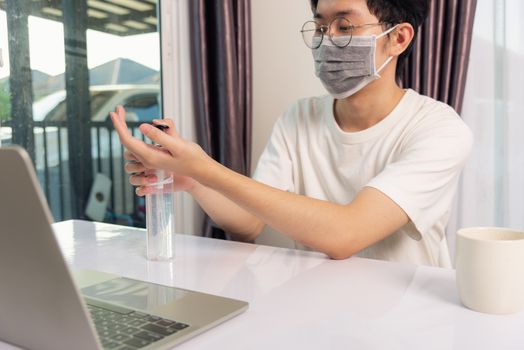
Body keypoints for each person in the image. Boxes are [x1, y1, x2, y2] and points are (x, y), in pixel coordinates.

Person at [110, 0, 473, 268]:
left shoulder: (439, 129)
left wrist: (205, 168)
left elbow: (346, 234)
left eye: (344, 27)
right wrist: (193, 180)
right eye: (319, 28)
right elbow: (248, 222)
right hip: (314, 307)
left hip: (410, 321)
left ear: (398, 39)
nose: (326, 40)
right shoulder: (299, 117)